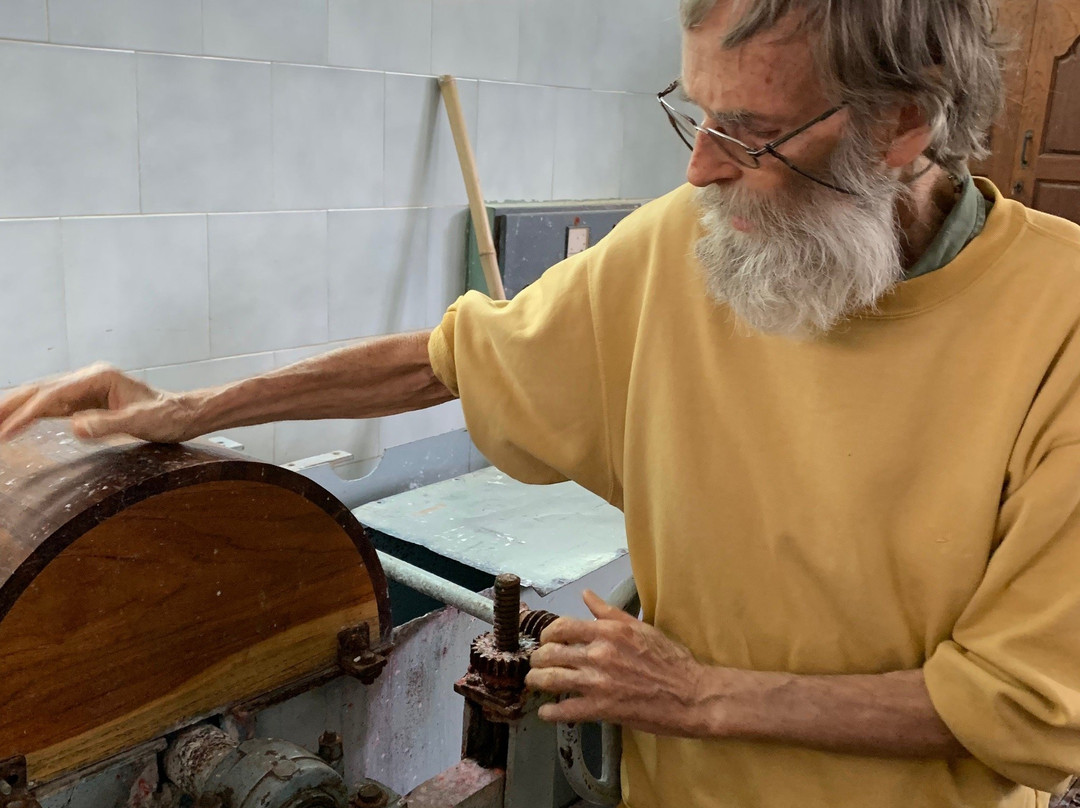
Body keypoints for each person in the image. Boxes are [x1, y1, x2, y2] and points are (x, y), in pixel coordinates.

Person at [3, 0, 1080, 805]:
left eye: (750, 134)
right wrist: (185, 411)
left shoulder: (1056, 324)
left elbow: (1028, 708)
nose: (701, 169)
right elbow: (448, 357)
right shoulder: (681, 245)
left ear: (903, 125)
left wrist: (696, 696)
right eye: (693, 114)